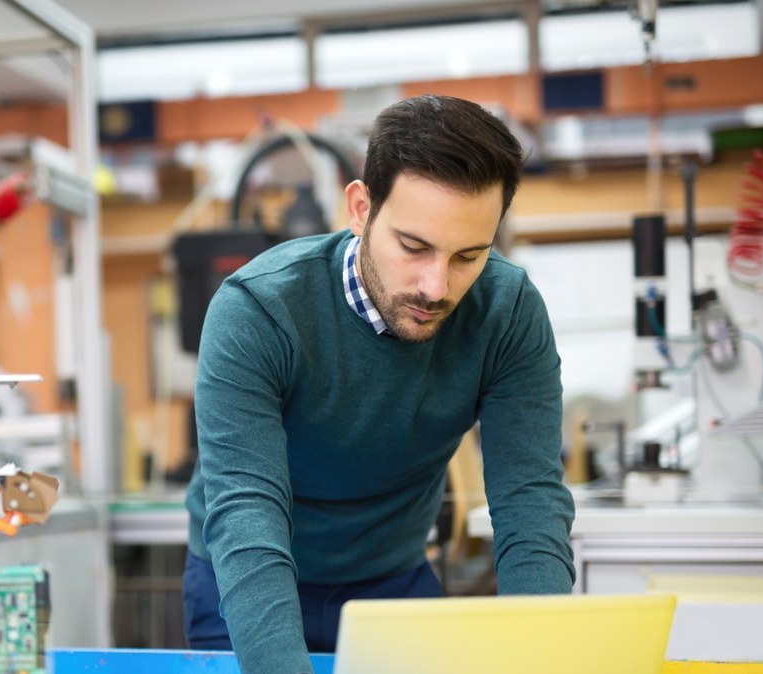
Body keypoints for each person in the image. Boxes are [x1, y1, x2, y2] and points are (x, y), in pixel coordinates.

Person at [181, 94, 576, 674]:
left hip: (390, 582)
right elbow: (247, 514)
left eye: (469, 256)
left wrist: (538, 658)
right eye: (413, 247)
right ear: (361, 209)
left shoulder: (508, 312)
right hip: (241, 581)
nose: (436, 286)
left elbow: (530, 504)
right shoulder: (258, 312)